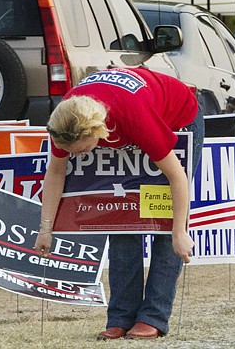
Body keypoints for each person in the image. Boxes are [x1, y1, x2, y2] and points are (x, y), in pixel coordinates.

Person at [34, 67, 204, 340]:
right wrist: (45, 229)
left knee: (164, 220)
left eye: (77, 150)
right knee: (122, 217)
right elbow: (55, 172)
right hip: (124, 122)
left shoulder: (133, 115)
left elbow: (177, 177)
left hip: (177, 117)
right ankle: (121, 318)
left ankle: (153, 317)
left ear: (95, 130)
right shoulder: (65, 122)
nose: (74, 156)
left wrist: (180, 232)